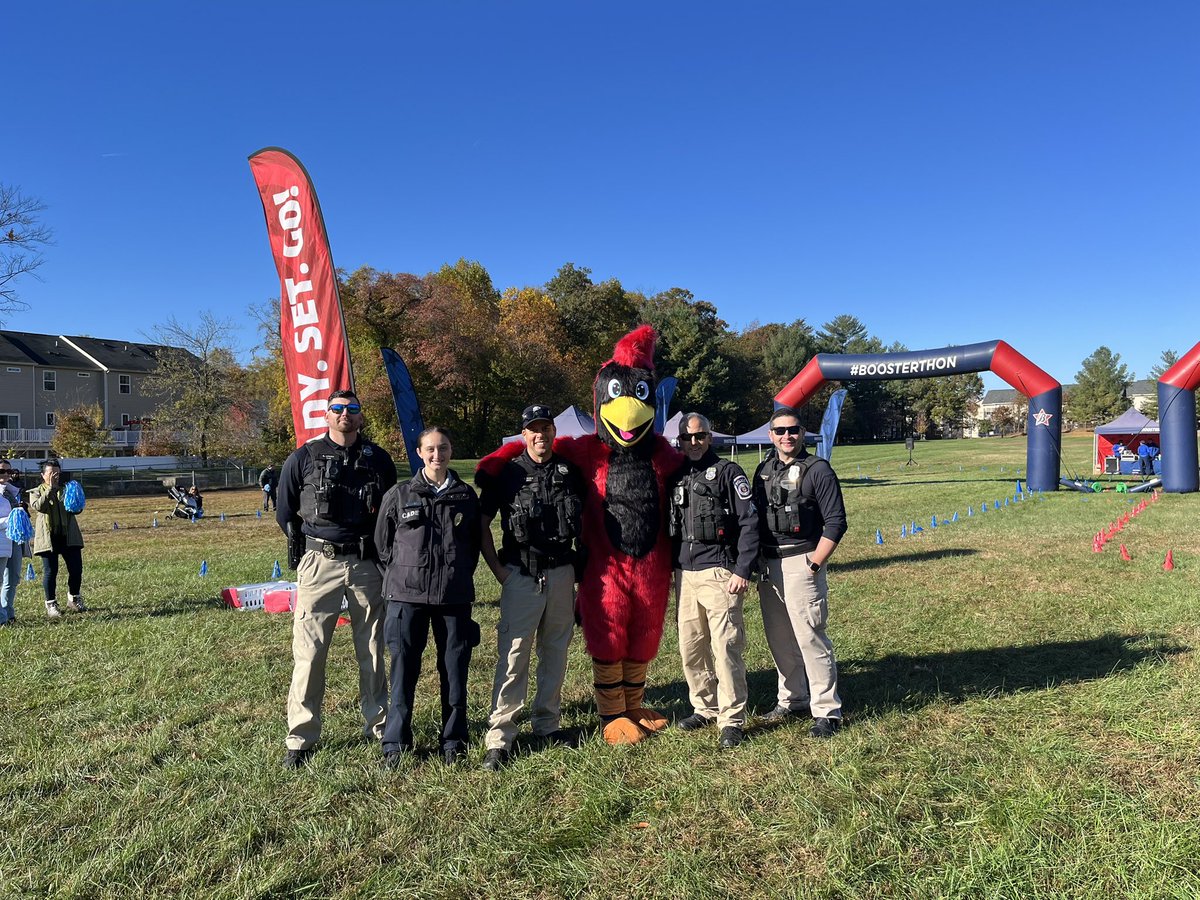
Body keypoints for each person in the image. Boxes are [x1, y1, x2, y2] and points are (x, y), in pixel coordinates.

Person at [276, 390, 397, 769]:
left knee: (373, 649)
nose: (346, 414)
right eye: (338, 409)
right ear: (327, 415)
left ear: (360, 417)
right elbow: (285, 512)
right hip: (319, 562)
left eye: (353, 409)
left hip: (367, 564)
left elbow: (390, 510)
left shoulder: (378, 459)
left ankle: (379, 727)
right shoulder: (303, 458)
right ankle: (301, 737)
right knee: (310, 652)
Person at [475, 405, 584, 770]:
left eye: (546, 427)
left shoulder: (570, 471)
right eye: (533, 429)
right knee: (513, 655)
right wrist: (498, 571)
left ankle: (547, 724)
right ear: (523, 435)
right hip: (522, 574)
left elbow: (586, 522)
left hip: (562, 573)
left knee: (555, 652)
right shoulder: (507, 474)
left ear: (554, 431)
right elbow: (481, 524)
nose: (541, 434)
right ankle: (500, 736)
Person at [375, 426, 481, 767]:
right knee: (403, 671)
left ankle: (453, 741)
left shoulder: (465, 495)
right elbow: (382, 546)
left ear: (451, 451)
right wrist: (404, 577)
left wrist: (456, 574)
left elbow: (473, 546)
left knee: (454, 671)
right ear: (419, 453)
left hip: (453, 597)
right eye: (431, 449)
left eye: (444, 448)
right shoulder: (400, 494)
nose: (438, 455)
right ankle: (395, 743)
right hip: (407, 597)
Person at [753, 407, 848, 739]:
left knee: (810, 637)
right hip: (769, 565)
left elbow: (836, 522)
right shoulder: (764, 469)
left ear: (803, 432)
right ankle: (792, 699)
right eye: (780, 431)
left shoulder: (818, 470)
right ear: (770, 435)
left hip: (802, 562)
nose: (786, 436)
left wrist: (814, 564)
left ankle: (826, 710)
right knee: (779, 639)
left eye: (792, 430)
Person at [668, 413, 760, 749]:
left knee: (725, 648)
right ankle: (704, 707)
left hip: (720, 571)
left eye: (700, 436)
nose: (694, 443)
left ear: (709, 437)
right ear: (679, 441)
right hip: (684, 574)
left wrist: (742, 569)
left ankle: (731, 719)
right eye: (687, 438)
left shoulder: (728, 473)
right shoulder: (674, 475)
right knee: (691, 647)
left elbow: (750, 522)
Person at [28, 459, 86, 620]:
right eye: (51, 473)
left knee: (76, 569)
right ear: (43, 475)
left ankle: (74, 598)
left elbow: (76, 509)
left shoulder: (66, 490)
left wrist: (76, 495)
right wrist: (51, 489)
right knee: (50, 571)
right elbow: (39, 506)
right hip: (48, 538)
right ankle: (51, 603)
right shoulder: (35, 491)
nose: (55, 476)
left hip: (69, 536)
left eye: (58, 473)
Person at [0, 461, 27, 626]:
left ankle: (8, 613)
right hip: (2, 541)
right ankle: (2, 617)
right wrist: (10, 520)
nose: (5, 474)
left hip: (14, 540)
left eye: (9, 471)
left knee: (13, 577)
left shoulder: (12, 491)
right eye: (1, 471)